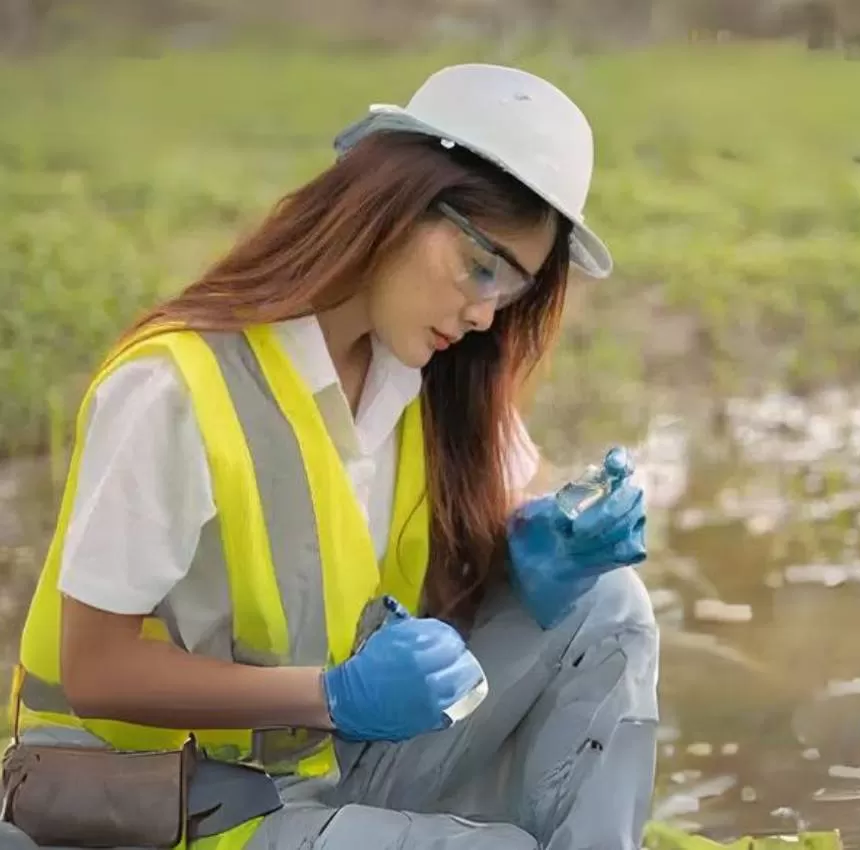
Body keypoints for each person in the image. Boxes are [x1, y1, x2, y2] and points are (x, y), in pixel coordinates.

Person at [3, 63, 658, 850]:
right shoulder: (178, 391)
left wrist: (540, 556)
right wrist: (333, 696)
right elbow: (96, 671)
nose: (485, 314)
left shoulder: (427, 380)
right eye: (480, 268)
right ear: (391, 207)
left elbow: (468, 575)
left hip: (323, 770)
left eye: (511, 291)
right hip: (164, 806)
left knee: (609, 604)